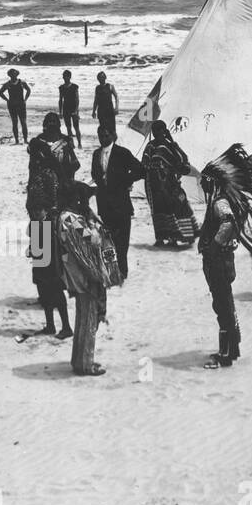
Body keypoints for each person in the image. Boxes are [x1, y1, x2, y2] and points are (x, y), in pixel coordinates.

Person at [197, 145, 252, 369]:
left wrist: (213, 246)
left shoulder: (219, 203)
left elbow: (228, 223)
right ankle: (232, 347)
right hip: (223, 262)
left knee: (222, 306)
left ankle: (226, 354)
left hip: (218, 262)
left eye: (205, 181)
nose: (202, 185)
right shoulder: (221, 200)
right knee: (226, 304)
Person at [57, 182, 122, 376]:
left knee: (84, 317)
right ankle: (85, 363)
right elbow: (92, 239)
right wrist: (95, 225)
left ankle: (79, 359)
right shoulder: (71, 218)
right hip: (84, 275)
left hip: (78, 273)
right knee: (89, 318)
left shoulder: (66, 215)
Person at [25, 114, 79, 339]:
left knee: (52, 276)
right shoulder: (38, 173)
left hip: (50, 222)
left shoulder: (51, 176)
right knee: (42, 276)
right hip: (40, 222)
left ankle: (64, 325)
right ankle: (51, 324)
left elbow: (72, 170)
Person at [90, 124, 146, 281]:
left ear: (113, 135)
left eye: (106, 135)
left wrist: (125, 180)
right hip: (105, 205)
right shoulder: (96, 154)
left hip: (121, 204)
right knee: (108, 241)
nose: (103, 139)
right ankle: (111, 272)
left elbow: (141, 170)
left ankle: (122, 272)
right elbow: (94, 173)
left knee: (122, 242)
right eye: (100, 136)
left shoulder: (122, 153)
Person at [142, 119, 198, 247]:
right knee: (157, 209)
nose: (157, 133)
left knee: (175, 207)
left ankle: (179, 237)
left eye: (160, 130)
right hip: (153, 183)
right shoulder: (151, 146)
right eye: (155, 131)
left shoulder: (170, 145)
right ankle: (162, 237)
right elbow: (144, 162)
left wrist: (171, 141)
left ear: (164, 131)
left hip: (169, 183)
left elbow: (182, 160)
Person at [0, 68, 32, 144]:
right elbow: (0, 93)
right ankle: (17, 140)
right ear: (9, 75)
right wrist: (7, 100)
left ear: (17, 74)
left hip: (21, 104)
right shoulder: (7, 84)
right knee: (15, 122)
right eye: (11, 74)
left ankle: (25, 140)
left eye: (14, 73)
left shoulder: (22, 82)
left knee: (23, 122)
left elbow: (29, 90)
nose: (13, 75)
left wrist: (25, 99)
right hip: (12, 105)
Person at [58, 70, 82, 148]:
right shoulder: (61, 87)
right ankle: (72, 144)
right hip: (66, 109)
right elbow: (60, 100)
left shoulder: (75, 86)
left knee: (76, 127)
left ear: (70, 77)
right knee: (68, 128)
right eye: (64, 76)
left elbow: (77, 99)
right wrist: (60, 112)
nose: (65, 78)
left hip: (73, 108)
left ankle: (79, 143)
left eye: (67, 76)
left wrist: (76, 110)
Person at [91, 71, 119, 137]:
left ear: (105, 77)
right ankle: (105, 143)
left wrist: (116, 108)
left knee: (112, 129)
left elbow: (116, 97)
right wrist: (93, 111)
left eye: (102, 77)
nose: (101, 79)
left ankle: (114, 143)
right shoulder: (97, 88)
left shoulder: (110, 86)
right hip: (101, 111)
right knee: (103, 129)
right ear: (98, 79)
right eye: (99, 78)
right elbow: (96, 100)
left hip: (109, 110)